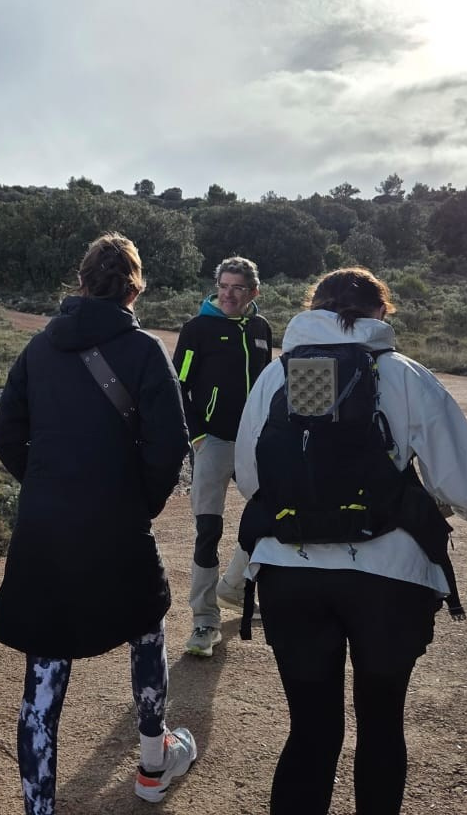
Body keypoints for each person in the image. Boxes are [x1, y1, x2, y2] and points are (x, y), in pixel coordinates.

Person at [234, 267, 467, 815]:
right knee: (381, 727)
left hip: (290, 573)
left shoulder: (276, 377)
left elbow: (252, 480)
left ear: (313, 309)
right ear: (380, 313)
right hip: (388, 581)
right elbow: (463, 488)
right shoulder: (404, 374)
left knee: (310, 734)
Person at [0, 232, 195, 812]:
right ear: (137, 287)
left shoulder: (37, 350)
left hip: (47, 527)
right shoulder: (147, 350)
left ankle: (39, 808)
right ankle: (154, 766)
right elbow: (169, 445)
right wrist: (138, 502)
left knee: (45, 674)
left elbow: (7, 436)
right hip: (119, 526)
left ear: (80, 284)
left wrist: (51, 485)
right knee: (147, 631)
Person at [172, 255, 273, 658]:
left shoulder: (262, 329)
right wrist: (197, 436)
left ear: (253, 292)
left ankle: (233, 586)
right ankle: (204, 620)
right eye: (223, 286)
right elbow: (178, 386)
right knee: (208, 530)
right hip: (212, 440)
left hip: (254, 443)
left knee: (271, 516)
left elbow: (267, 385)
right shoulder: (198, 329)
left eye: (238, 288)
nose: (228, 294)